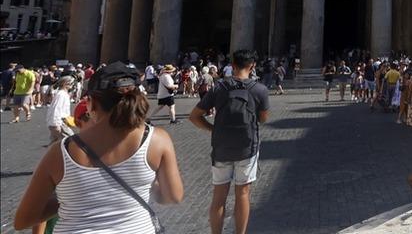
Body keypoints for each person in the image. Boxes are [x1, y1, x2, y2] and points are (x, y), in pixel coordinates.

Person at [14, 61, 184, 233]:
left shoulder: (62, 151)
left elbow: (23, 220)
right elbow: (173, 196)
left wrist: (70, 197)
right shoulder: (158, 140)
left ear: (91, 103)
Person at [189, 50, 270, 234]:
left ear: (232, 65)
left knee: (218, 197)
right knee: (242, 194)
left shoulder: (219, 87)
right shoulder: (260, 89)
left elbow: (194, 116)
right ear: (253, 66)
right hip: (247, 147)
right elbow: (263, 118)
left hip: (221, 147)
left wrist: (212, 129)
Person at [46, 76, 75, 143]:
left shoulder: (63, 94)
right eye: (71, 83)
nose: (72, 85)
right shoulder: (61, 94)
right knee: (70, 142)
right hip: (60, 122)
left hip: (61, 121)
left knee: (57, 143)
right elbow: (56, 109)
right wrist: (55, 124)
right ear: (65, 83)